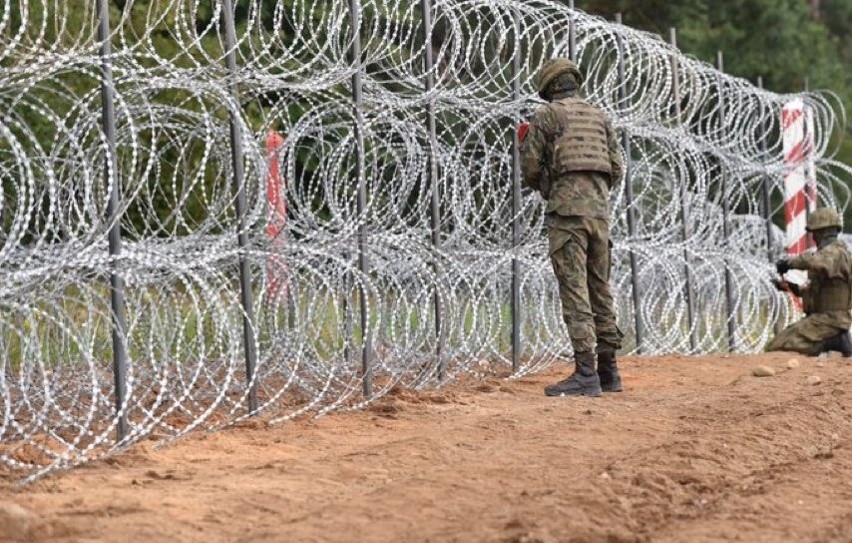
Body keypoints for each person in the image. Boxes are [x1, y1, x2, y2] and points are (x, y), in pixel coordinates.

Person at [521, 58, 625, 397]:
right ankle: (609, 371)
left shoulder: (548, 115)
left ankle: (585, 373)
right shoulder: (600, 116)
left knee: (575, 291)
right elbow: (616, 167)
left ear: (549, 87)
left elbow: (531, 168)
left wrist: (549, 185)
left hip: (567, 214)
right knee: (600, 289)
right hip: (600, 214)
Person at [769, 207, 852, 357]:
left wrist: (790, 263)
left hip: (831, 319)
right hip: (823, 318)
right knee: (779, 343)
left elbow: (817, 262)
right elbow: (819, 290)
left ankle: (834, 341)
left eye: (815, 233)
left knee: (783, 346)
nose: (813, 237)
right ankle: (832, 341)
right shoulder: (829, 254)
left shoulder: (836, 253)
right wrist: (792, 288)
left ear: (823, 232)